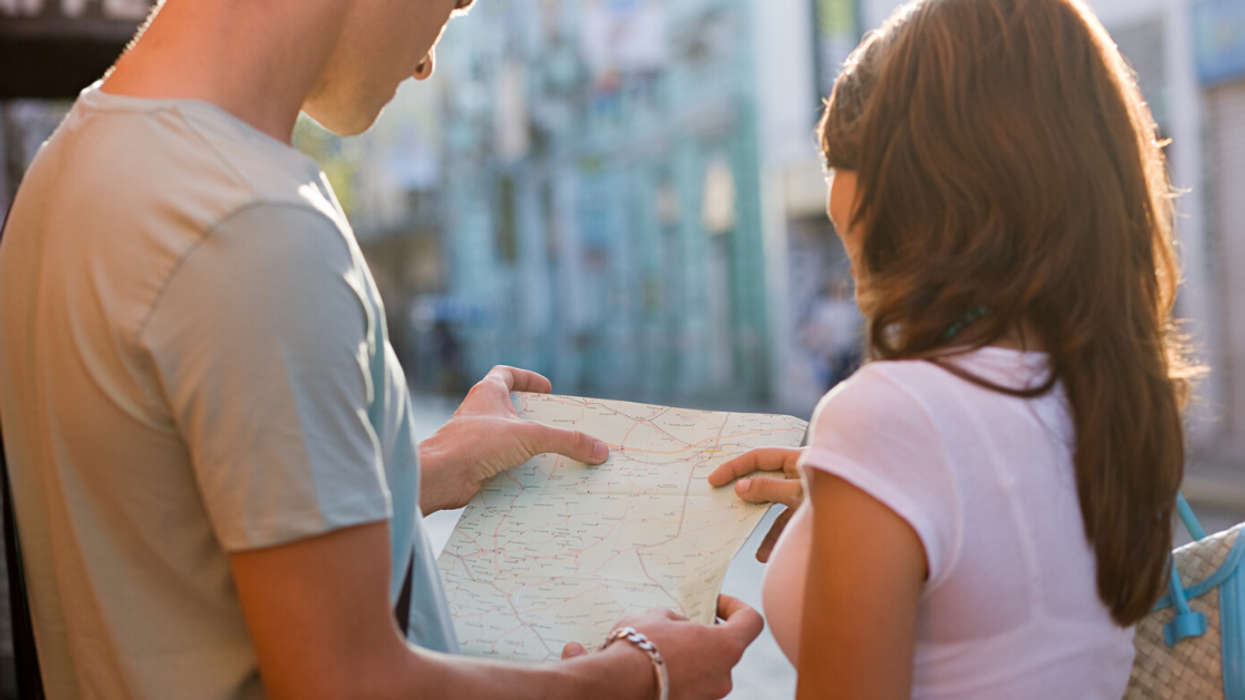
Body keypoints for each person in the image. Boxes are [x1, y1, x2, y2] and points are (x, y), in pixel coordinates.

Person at [0, 1, 762, 699]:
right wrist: (639, 672)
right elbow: (349, 683)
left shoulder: (77, 161)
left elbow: (170, 524)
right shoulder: (250, 224)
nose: (429, 59)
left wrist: (415, 470)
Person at [710, 0, 1192, 697]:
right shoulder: (1102, 395)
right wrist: (845, 505)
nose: (831, 203)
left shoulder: (893, 414)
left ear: (915, 190)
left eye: (836, 165)